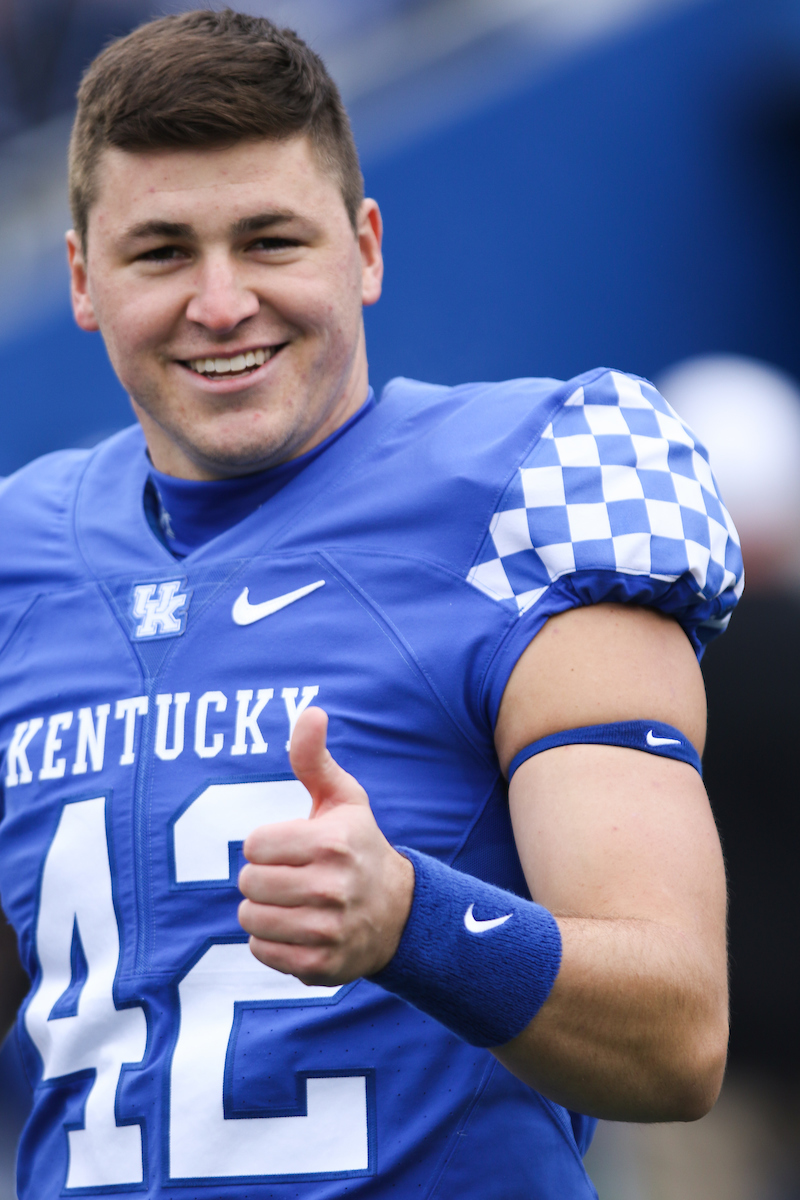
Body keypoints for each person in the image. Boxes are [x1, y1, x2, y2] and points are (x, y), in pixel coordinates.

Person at [0, 10, 740, 1199]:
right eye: (161, 253)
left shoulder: (523, 489)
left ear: (366, 250)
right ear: (83, 279)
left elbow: (675, 1033)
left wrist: (408, 919)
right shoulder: (19, 556)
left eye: (270, 240)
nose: (221, 300)